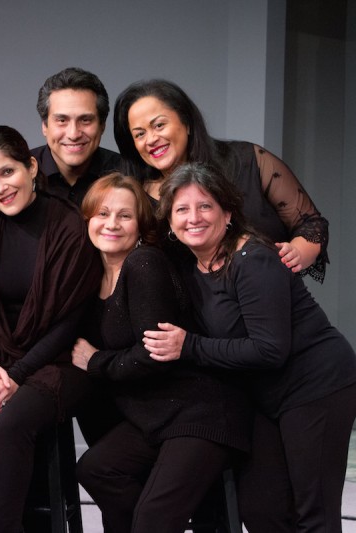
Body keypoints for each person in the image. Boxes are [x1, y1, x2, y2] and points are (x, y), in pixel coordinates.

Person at [144, 162, 356, 532]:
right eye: (181, 209)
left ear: (227, 214)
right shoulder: (193, 268)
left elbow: (270, 349)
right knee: (262, 509)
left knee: (314, 513)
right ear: (170, 222)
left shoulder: (253, 260)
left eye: (205, 206)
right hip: (266, 397)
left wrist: (189, 346)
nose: (193, 217)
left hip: (316, 385)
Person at [70, 173, 251, 533]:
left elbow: (155, 354)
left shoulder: (144, 263)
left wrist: (96, 362)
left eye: (125, 215)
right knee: (97, 469)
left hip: (200, 413)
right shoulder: (91, 274)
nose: (112, 224)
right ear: (87, 219)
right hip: (154, 417)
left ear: (141, 224)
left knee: (153, 518)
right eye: (102, 214)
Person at [0, 126, 101, 532]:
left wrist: (16, 377)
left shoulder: (71, 227)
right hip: (1, 359)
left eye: (7, 173)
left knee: (15, 418)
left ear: (32, 167)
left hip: (63, 361)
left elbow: (70, 322)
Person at [113, 79, 329, 281]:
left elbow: (311, 224)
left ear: (186, 123)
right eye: (139, 134)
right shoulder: (138, 194)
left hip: (265, 302)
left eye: (159, 125)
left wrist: (297, 253)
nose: (151, 139)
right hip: (191, 319)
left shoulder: (247, 160)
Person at [30, 67, 121, 206]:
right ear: (44, 126)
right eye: (62, 120)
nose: (73, 134)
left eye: (85, 120)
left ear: (102, 125)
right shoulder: (18, 174)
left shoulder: (128, 174)